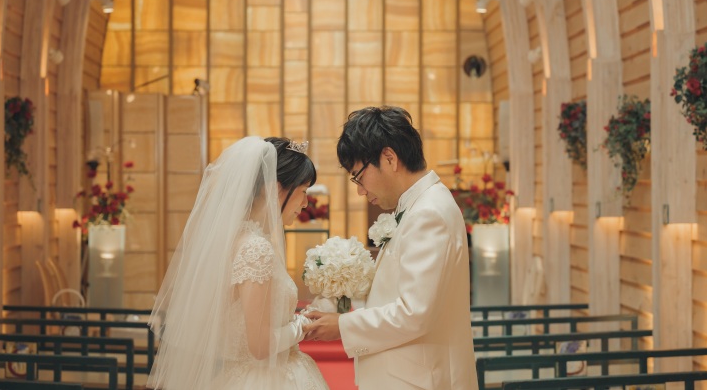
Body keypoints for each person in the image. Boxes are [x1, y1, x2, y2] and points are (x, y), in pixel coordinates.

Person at [303, 106, 478, 390]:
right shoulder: (418, 205)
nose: (360, 190)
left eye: (358, 176)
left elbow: (414, 313)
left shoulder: (428, 213)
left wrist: (342, 325)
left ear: (389, 158)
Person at [148, 136, 329, 389]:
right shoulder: (255, 248)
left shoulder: (236, 240)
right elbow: (261, 345)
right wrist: (305, 324)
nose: (306, 203)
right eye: (303, 191)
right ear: (276, 188)